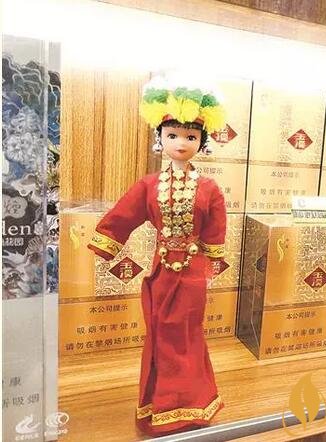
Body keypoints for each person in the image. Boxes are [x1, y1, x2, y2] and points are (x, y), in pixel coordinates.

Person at [87, 76, 227, 437]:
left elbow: (215, 235)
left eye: (191, 137)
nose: (181, 143)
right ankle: (161, 406)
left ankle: (193, 404)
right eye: (173, 135)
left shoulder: (210, 188)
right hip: (161, 272)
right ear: (160, 137)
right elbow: (122, 216)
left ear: (201, 142)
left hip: (193, 275)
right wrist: (108, 247)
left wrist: (210, 266)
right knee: (162, 335)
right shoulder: (148, 185)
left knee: (188, 335)